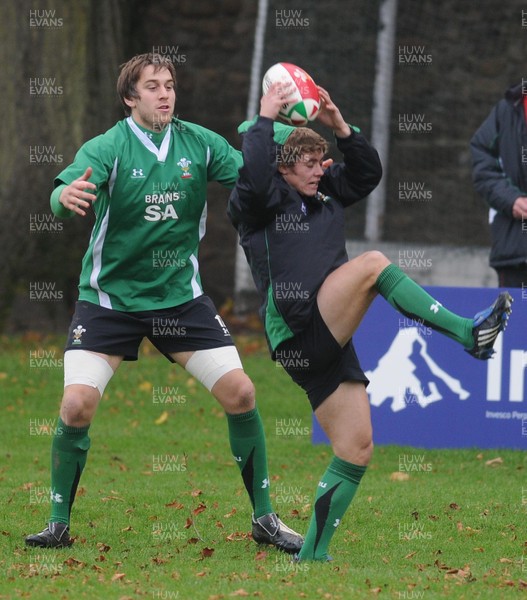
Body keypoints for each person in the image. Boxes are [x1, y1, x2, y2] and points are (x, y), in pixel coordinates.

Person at [25, 54, 303, 554]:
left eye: (169, 84)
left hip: (179, 299)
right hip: (109, 300)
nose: (164, 94)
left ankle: (265, 519)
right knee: (76, 405)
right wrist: (63, 197)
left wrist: (282, 129)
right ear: (130, 98)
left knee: (241, 394)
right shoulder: (109, 145)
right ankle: (57, 523)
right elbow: (64, 185)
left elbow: (253, 167)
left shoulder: (198, 143)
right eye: (152, 86)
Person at [227, 82, 513, 561]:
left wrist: (341, 128)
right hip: (299, 326)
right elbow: (254, 175)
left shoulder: (325, 191)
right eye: (310, 163)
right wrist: (262, 117)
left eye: (323, 162)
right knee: (373, 264)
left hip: (325, 339)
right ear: (281, 163)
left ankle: (312, 557)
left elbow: (367, 173)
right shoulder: (257, 200)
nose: (321, 170)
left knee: (355, 449)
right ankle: (468, 333)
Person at [471, 82, 527, 288]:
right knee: (516, 318)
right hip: (516, 253)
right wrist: (511, 200)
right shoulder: (507, 110)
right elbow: (483, 164)